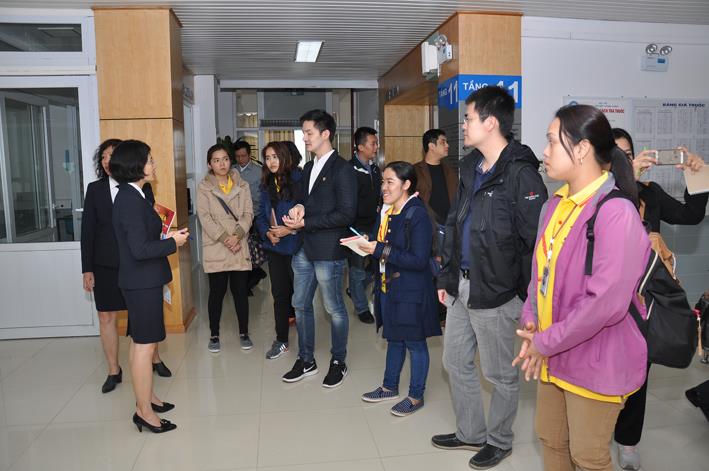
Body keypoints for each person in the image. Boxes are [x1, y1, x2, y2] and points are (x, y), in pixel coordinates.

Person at [514, 104, 650, 471]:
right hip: (555, 352)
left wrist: (545, 341)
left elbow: (605, 303)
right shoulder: (554, 204)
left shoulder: (615, 212)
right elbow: (539, 275)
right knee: (552, 440)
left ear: (582, 149)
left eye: (551, 142)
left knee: (588, 456)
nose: (544, 152)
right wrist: (531, 320)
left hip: (596, 357)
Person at [432, 86, 548, 470]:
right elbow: (455, 224)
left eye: (468, 118)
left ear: (491, 122)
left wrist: (526, 299)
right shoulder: (470, 168)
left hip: (498, 292)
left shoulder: (522, 175)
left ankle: (499, 440)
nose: (463, 126)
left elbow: (535, 244)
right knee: (454, 361)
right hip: (462, 285)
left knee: (499, 374)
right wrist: (446, 278)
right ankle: (470, 431)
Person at [611, 128, 707, 471]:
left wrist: (698, 177)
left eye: (629, 154)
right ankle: (598, 427)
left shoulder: (650, 194)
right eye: (617, 156)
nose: (625, 161)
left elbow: (690, 215)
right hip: (606, 299)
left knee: (639, 368)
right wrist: (626, 183)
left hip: (644, 299)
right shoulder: (598, 194)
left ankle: (628, 440)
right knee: (606, 370)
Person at [81, 139, 172, 394]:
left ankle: (152, 365)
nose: (107, 161)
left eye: (112, 155)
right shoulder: (99, 190)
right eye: (104, 157)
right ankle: (115, 371)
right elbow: (88, 231)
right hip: (109, 263)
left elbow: (148, 226)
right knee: (109, 317)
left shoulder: (140, 190)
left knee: (141, 325)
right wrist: (87, 268)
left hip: (136, 265)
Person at [110, 140, 188, 433]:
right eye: (149, 160)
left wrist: (167, 237)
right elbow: (140, 249)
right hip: (141, 282)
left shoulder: (135, 194)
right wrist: (173, 243)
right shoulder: (130, 200)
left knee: (143, 343)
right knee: (144, 347)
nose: (153, 164)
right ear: (136, 165)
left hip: (142, 280)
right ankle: (144, 412)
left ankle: (148, 398)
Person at [358, 161, 441, 416]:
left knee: (415, 343)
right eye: (383, 181)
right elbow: (384, 243)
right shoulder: (389, 211)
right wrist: (369, 244)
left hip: (411, 291)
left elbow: (418, 260)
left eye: (390, 182)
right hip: (390, 286)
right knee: (394, 337)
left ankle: (416, 396)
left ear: (406, 184)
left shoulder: (417, 214)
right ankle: (389, 386)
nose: (384, 187)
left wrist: (380, 250)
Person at [281, 109, 357, 388]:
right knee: (300, 304)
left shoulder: (343, 169)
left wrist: (307, 222)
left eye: (309, 132)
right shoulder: (308, 168)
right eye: (304, 132)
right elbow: (305, 199)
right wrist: (299, 209)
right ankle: (306, 359)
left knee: (334, 308)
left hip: (328, 250)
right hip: (305, 247)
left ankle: (338, 361)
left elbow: (346, 214)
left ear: (325, 134)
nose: (305, 137)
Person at [197, 143, 254, 353]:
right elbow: (204, 217)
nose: (222, 164)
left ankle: (244, 332)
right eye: (216, 160)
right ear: (209, 164)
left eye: (225, 159)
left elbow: (248, 213)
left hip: (238, 244)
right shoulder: (204, 187)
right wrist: (226, 239)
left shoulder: (243, 185)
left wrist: (236, 236)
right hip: (217, 246)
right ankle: (214, 334)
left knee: (240, 292)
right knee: (217, 293)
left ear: (230, 161)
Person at [255, 141, 302, 360]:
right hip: (274, 247)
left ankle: (306, 342)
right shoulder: (266, 183)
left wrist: (288, 229)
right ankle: (281, 340)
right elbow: (260, 215)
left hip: (295, 247)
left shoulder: (298, 180)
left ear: (284, 157)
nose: (271, 162)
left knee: (300, 298)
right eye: (267, 158)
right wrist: (267, 232)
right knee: (279, 295)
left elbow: (309, 213)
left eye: (275, 157)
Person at [348, 126, 382, 324]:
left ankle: (354, 289)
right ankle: (361, 308)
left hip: (375, 225)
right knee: (358, 268)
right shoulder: (349, 169)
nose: (376, 147)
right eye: (373, 143)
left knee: (375, 265)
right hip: (356, 227)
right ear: (360, 147)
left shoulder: (375, 169)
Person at [233, 139, 267, 294]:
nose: (241, 159)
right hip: (235, 218)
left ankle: (252, 277)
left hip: (254, 217)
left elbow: (262, 196)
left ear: (249, 154)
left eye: (243, 156)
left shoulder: (259, 172)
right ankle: (247, 280)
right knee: (240, 251)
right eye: (238, 156)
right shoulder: (231, 171)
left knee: (252, 250)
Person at [414, 129, 457, 226]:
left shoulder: (450, 171)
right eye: (443, 142)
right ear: (431, 146)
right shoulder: (415, 171)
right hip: (425, 224)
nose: (447, 145)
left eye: (446, 142)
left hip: (448, 225)